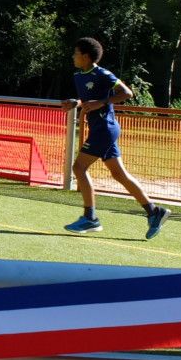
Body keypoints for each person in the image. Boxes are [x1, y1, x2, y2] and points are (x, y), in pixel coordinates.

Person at [61, 37, 170, 239]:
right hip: (99, 129)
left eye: (76, 53)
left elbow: (127, 92)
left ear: (86, 55)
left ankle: (90, 218)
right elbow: (87, 100)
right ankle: (154, 212)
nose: (73, 56)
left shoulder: (102, 73)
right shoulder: (78, 74)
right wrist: (74, 102)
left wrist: (102, 102)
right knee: (119, 174)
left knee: (78, 168)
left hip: (105, 128)